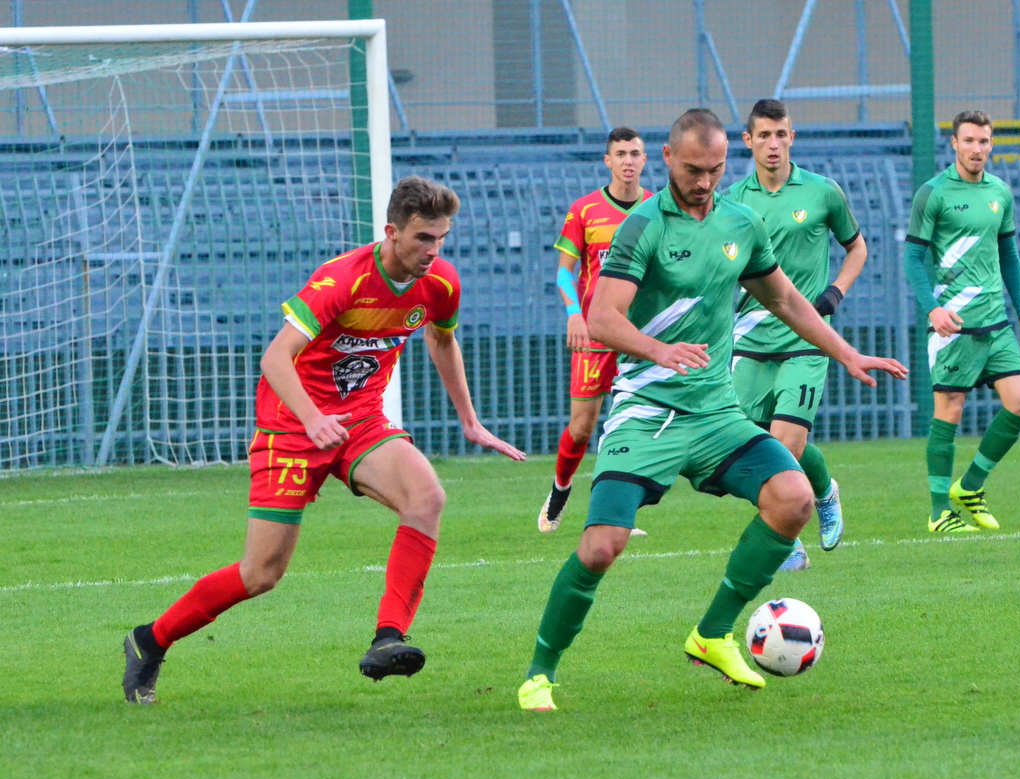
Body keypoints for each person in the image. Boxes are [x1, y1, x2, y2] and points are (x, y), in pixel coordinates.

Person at [517, 109, 907, 711]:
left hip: (716, 412)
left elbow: (786, 301)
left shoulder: (740, 221)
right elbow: (601, 318)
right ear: (668, 159)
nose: (705, 181)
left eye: (716, 168)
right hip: (646, 409)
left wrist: (847, 352)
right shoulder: (643, 226)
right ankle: (540, 672)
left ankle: (713, 633)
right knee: (601, 546)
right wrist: (658, 350)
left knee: (794, 497)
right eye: (694, 168)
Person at [122, 176, 525, 705]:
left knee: (427, 498)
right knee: (261, 574)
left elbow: (442, 339)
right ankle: (149, 640)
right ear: (391, 231)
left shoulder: (441, 283)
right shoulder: (342, 280)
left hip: (359, 420)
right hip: (292, 426)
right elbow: (275, 357)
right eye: (424, 238)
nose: (434, 250)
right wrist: (312, 419)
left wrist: (469, 420)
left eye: (442, 238)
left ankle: (388, 637)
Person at [726, 98, 868, 569]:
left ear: (792, 137)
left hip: (806, 341)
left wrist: (834, 294)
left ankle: (789, 534)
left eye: (780, 134)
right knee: (742, 449)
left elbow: (857, 248)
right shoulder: (733, 202)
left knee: (785, 443)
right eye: (763, 135)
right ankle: (824, 488)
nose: (773, 144)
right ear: (747, 141)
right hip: (749, 341)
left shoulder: (822, 192)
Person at [903, 109, 1020, 534]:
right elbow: (912, 257)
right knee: (949, 411)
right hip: (954, 324)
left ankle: (971, 486)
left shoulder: (1000, 192)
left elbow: (1009, 257)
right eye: (969, 141)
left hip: (996, 322)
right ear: (954, 143)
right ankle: (937, 512)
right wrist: (933, 308)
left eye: (984, 141)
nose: (977, 149)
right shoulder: (934, 193)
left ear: (991, 143)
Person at [538, 127, 653, 536]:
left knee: (629, 425)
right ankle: (560, 488)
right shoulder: (585, 210)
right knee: (583, 427)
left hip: (639, 338)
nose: (627, 160)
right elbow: (565, 273)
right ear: (608, 160)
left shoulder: (657, 209)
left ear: (645, 159)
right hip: (594, 334)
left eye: (634, 153)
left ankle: (615, 512)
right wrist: (574, 312)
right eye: (620, 153)